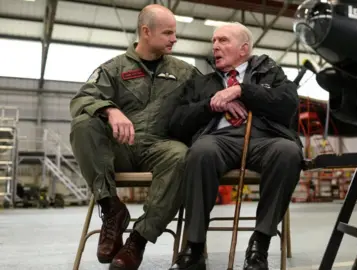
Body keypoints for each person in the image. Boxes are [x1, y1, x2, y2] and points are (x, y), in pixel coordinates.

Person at [69, 4, 200, 270]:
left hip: (161, 147)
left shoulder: (185, 72)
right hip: (120, 150)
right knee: (84, 124)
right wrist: (109, 109)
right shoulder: (114, 69)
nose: (174, 39)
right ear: (145, 32)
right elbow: (81, 99)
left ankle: (137, 241)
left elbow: (208, 100)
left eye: (174, 33)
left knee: (181, 155)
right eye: (168, 33)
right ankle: (111, 209)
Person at [167, 22, 303, 270]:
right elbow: (176, 122)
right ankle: (194, 247)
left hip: (265, 138)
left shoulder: (270, 73)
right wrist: (211, 104)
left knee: (288, 152)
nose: (215, 46)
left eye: (223, 41)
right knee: (200, 152)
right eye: (214, 41)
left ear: (243, 49)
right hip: (219, 139)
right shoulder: (202, 83)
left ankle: (259, 245)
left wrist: (241, 91)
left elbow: (288, 103)